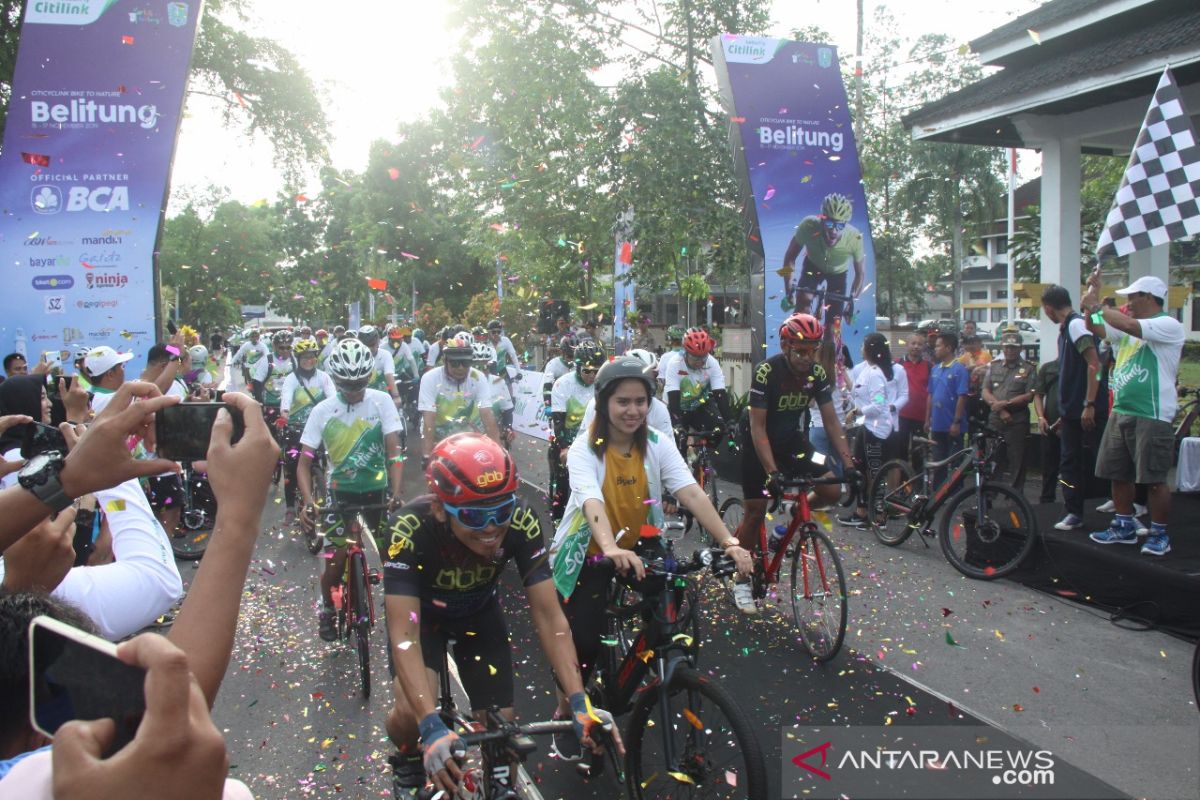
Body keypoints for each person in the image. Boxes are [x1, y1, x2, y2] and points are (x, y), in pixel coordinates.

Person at [379, 433, 620, 798]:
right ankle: (406, 759)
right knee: (411, 714)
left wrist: (577, 700)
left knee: (502, 725)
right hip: (422, 622)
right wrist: (428, 725)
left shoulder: (522, 521)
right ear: (441, 508)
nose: (492, 528)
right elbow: (404, 636)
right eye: (475, 515)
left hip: (478, 614)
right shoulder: (407, 530)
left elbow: (549, 616)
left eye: (501, 512)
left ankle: (500, 781)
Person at [550, 355, 751, 704]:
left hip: (638, 541)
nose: (633, 410)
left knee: (672, 597)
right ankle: (566, 708)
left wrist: (729, 540)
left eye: (640, 401)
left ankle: (648, 663)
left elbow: (690, 491)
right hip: (591, 550)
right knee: (583, 641)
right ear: (603, 403)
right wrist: (610, 549)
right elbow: (590, 500)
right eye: (622, 402)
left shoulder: (657, 442)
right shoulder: (585, 447)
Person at [739, 313, 856, 614]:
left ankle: (793, 515)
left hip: (794, 444)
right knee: (755, 511)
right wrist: (772, 472)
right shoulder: (767, 372)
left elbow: (831, 422)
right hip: (758, 445)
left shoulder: (816, 374)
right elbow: (758, 428)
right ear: (785, 346)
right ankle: (740, 577)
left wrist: (849, 464)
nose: (807, 357)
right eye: (800, 351)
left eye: (812, 351)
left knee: (832, 488)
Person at [297, 338, 405, 641]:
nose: (354, 391)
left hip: (377, 492)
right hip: (338, 495)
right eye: (347, 384)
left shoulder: (381, 401)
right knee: (337, 557)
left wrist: (396, 493)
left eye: (360, 383)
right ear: (335, 379)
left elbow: (394, 453)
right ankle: (327, 610)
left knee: (392, 557)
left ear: (369, 376)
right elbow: (303, 464)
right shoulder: (322, 410)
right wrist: (308, 502)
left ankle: (402, 608)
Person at [1081, 273, 1183, 556]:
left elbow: (1125, 322)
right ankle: (1124, 525)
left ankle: (1159, 533)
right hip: (1121, 410)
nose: (1128, 302)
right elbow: (1095, 326)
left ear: (1149, 298)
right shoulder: (1124, 330)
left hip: (1152, 413)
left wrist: (1099, 306)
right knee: (1117, 473)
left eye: (1132, 297)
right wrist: (1092, 294)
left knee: (1153, 478)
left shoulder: (1167, 325)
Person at [1041, 285, 1102, 532]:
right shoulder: (1070, 327)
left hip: (1082, 410)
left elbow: (1094, 364)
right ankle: (1074, 509)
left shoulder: (1075, 325)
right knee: (1073, 462)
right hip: (1071, 412)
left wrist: (1089, 404)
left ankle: (1076, 511)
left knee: (1076, 462)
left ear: (1048, 308)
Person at [839, 333, 900, 528]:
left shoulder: (875, 374)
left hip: (877, 430)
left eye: (863, 345)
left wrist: (857, 411)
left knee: (876, 472)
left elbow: (879, 403)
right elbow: (857, 393)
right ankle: (862, 510)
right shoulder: (866, 370)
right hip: (865, 427)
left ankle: (879, 515)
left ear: (870, 349)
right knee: (859, 469)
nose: (860, 349)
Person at [780, 193, 865, 330]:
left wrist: (852, 300)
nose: (833, 230)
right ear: (822, 219)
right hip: (813, 266)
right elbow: (789, 257)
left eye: (840, 226)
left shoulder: (855, 237)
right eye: (829, 223)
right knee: (802, 309)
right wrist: (788, 287)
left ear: (846, 224)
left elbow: (860, 274)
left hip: (838, 274)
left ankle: (831, 344)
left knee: (833, 326)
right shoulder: (808, 225)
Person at [417, 334, 500, 463]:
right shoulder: (430, 378)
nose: (460, 368)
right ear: (445, 361)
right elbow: (429, 418)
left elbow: (487, 416)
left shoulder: (478, 377)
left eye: (465, 363)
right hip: (439, 437)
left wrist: (498, 452)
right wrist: (427, 456)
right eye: (455, 363)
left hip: (470, 437)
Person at [278, 338, 336, 524]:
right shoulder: (291, 379)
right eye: (304, 357)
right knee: (292, 467)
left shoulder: (324, 377)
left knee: (328, 461)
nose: (308, 361)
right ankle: (289, 507)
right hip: (296, 429)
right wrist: (284, 414)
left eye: (311, 357)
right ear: (298, 358)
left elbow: (333, 398)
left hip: (320, 429)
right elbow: (286, 400)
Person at [549, 340, 605, 522]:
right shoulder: (562, 384)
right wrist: (564, 447)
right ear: (577, 367)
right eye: (587, 370)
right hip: (566, 438)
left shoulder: (603, 384)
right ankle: (558, 521)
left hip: (593, 439)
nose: (592, 375)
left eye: (597, 371)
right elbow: (558, 421)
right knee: (563, 487)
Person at [981, 331, 1035, 490]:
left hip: (1016, 420)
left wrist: (1006, 404)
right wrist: (998, 407)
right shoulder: (993, 366)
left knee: (1017, 460)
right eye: (1007, 347)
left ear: (1021, 349)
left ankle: (1016, 498)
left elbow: (1030, 394)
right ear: (1002, 348)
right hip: (996, 419)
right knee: (993, 458)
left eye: (1013, 347)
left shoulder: (1028, 368)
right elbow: (985, 390)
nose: (1010, 350)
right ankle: (989, 496)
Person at [664, 328, 732, 453]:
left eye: (703, 357)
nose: (700, 362)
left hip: (701, 404)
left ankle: (706, 458)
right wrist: (678, 424)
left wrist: (730, 421)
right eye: (695, 358)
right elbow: (673, 397)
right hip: (679, 405)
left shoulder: (712, 363)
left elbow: (720, 394)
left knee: (718, 428)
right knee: (678, 445)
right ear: (685, 352)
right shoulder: (675, 363)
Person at [925, 333, 969, 489]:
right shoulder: (935, 369)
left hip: (952, 425)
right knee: (938, 460)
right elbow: (930, 394)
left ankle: (957, 493)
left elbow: (962, 397)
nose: (935, 349)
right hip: (937, 424)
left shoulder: (959, 369)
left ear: (949, 348)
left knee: (955, 460)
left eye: (938, 346)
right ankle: (938, 492)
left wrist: (956, 422)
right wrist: (927, 419)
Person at [249, 330, 296, 429]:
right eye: (281, 348)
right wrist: (260, 403)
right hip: (271, 403)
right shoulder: (267, 360)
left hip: (290, 405)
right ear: (274, 346)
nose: (285, 351)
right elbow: (257, 382)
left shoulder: (295, 360)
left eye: (288, 347)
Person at [898, 336, 930, 470]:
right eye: (913, 343)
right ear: (907, 345)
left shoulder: (929, 366)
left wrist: (929, 418)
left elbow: (931, 393)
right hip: (901, 416)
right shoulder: (898, 364)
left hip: (921, 417)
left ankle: (918, 486)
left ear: (924, 347)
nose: (916, 346)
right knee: (900, 451)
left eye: (920, 344)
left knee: (920, 453)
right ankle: (902, 484)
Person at [1033, 357, 1061, 504]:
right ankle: (1047, 499)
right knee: (1048, 466)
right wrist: (1040, 417)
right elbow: (1038, 394)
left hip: (1069, 424)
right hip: (1049, 423)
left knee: (1072, 468)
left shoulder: (1078, 366)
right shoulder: (1048, 367)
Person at [357, 325, 403, 409]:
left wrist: (396, 396)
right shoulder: (355, 357)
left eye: (371, 345)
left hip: (381, 396)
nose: (369, 349)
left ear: (378, 342)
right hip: (359, 398)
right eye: (365, 346)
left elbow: (389, 375)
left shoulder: (385, 355)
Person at [82, 347, 132, 415]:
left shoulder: (84, 396)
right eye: (121, 366)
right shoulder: (117, 401)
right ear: (110, 374)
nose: (123, 370)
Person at [541, 336, 575, 408]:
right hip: (556, 399)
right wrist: (548, 406)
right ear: (561, 352)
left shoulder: (578, 365)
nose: (571, 360)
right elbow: (547, 387)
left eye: (574, 356)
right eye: (569, 356)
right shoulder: (552, 364)